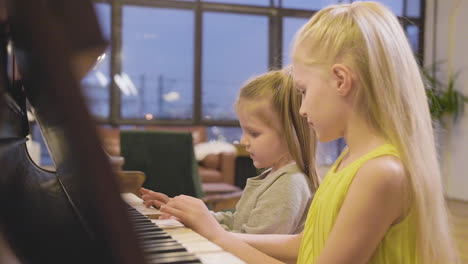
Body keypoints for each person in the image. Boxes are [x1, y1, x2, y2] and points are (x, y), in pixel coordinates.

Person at [158, 2, 459, 264]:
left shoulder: (381, 172)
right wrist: (212, 230)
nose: (301, 110)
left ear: (341, 80)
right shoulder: (351, 159)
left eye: (303, 91)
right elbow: (306, 244)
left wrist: (218, 237)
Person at [142, 68, 319, 235]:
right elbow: (237, 223)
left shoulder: (288, 184)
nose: (243, 141)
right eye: (243, 131)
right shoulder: (274, 176)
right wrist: (185, 213)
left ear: (290, 133)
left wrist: (201, 223)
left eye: (254, 133)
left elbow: (252, 246)